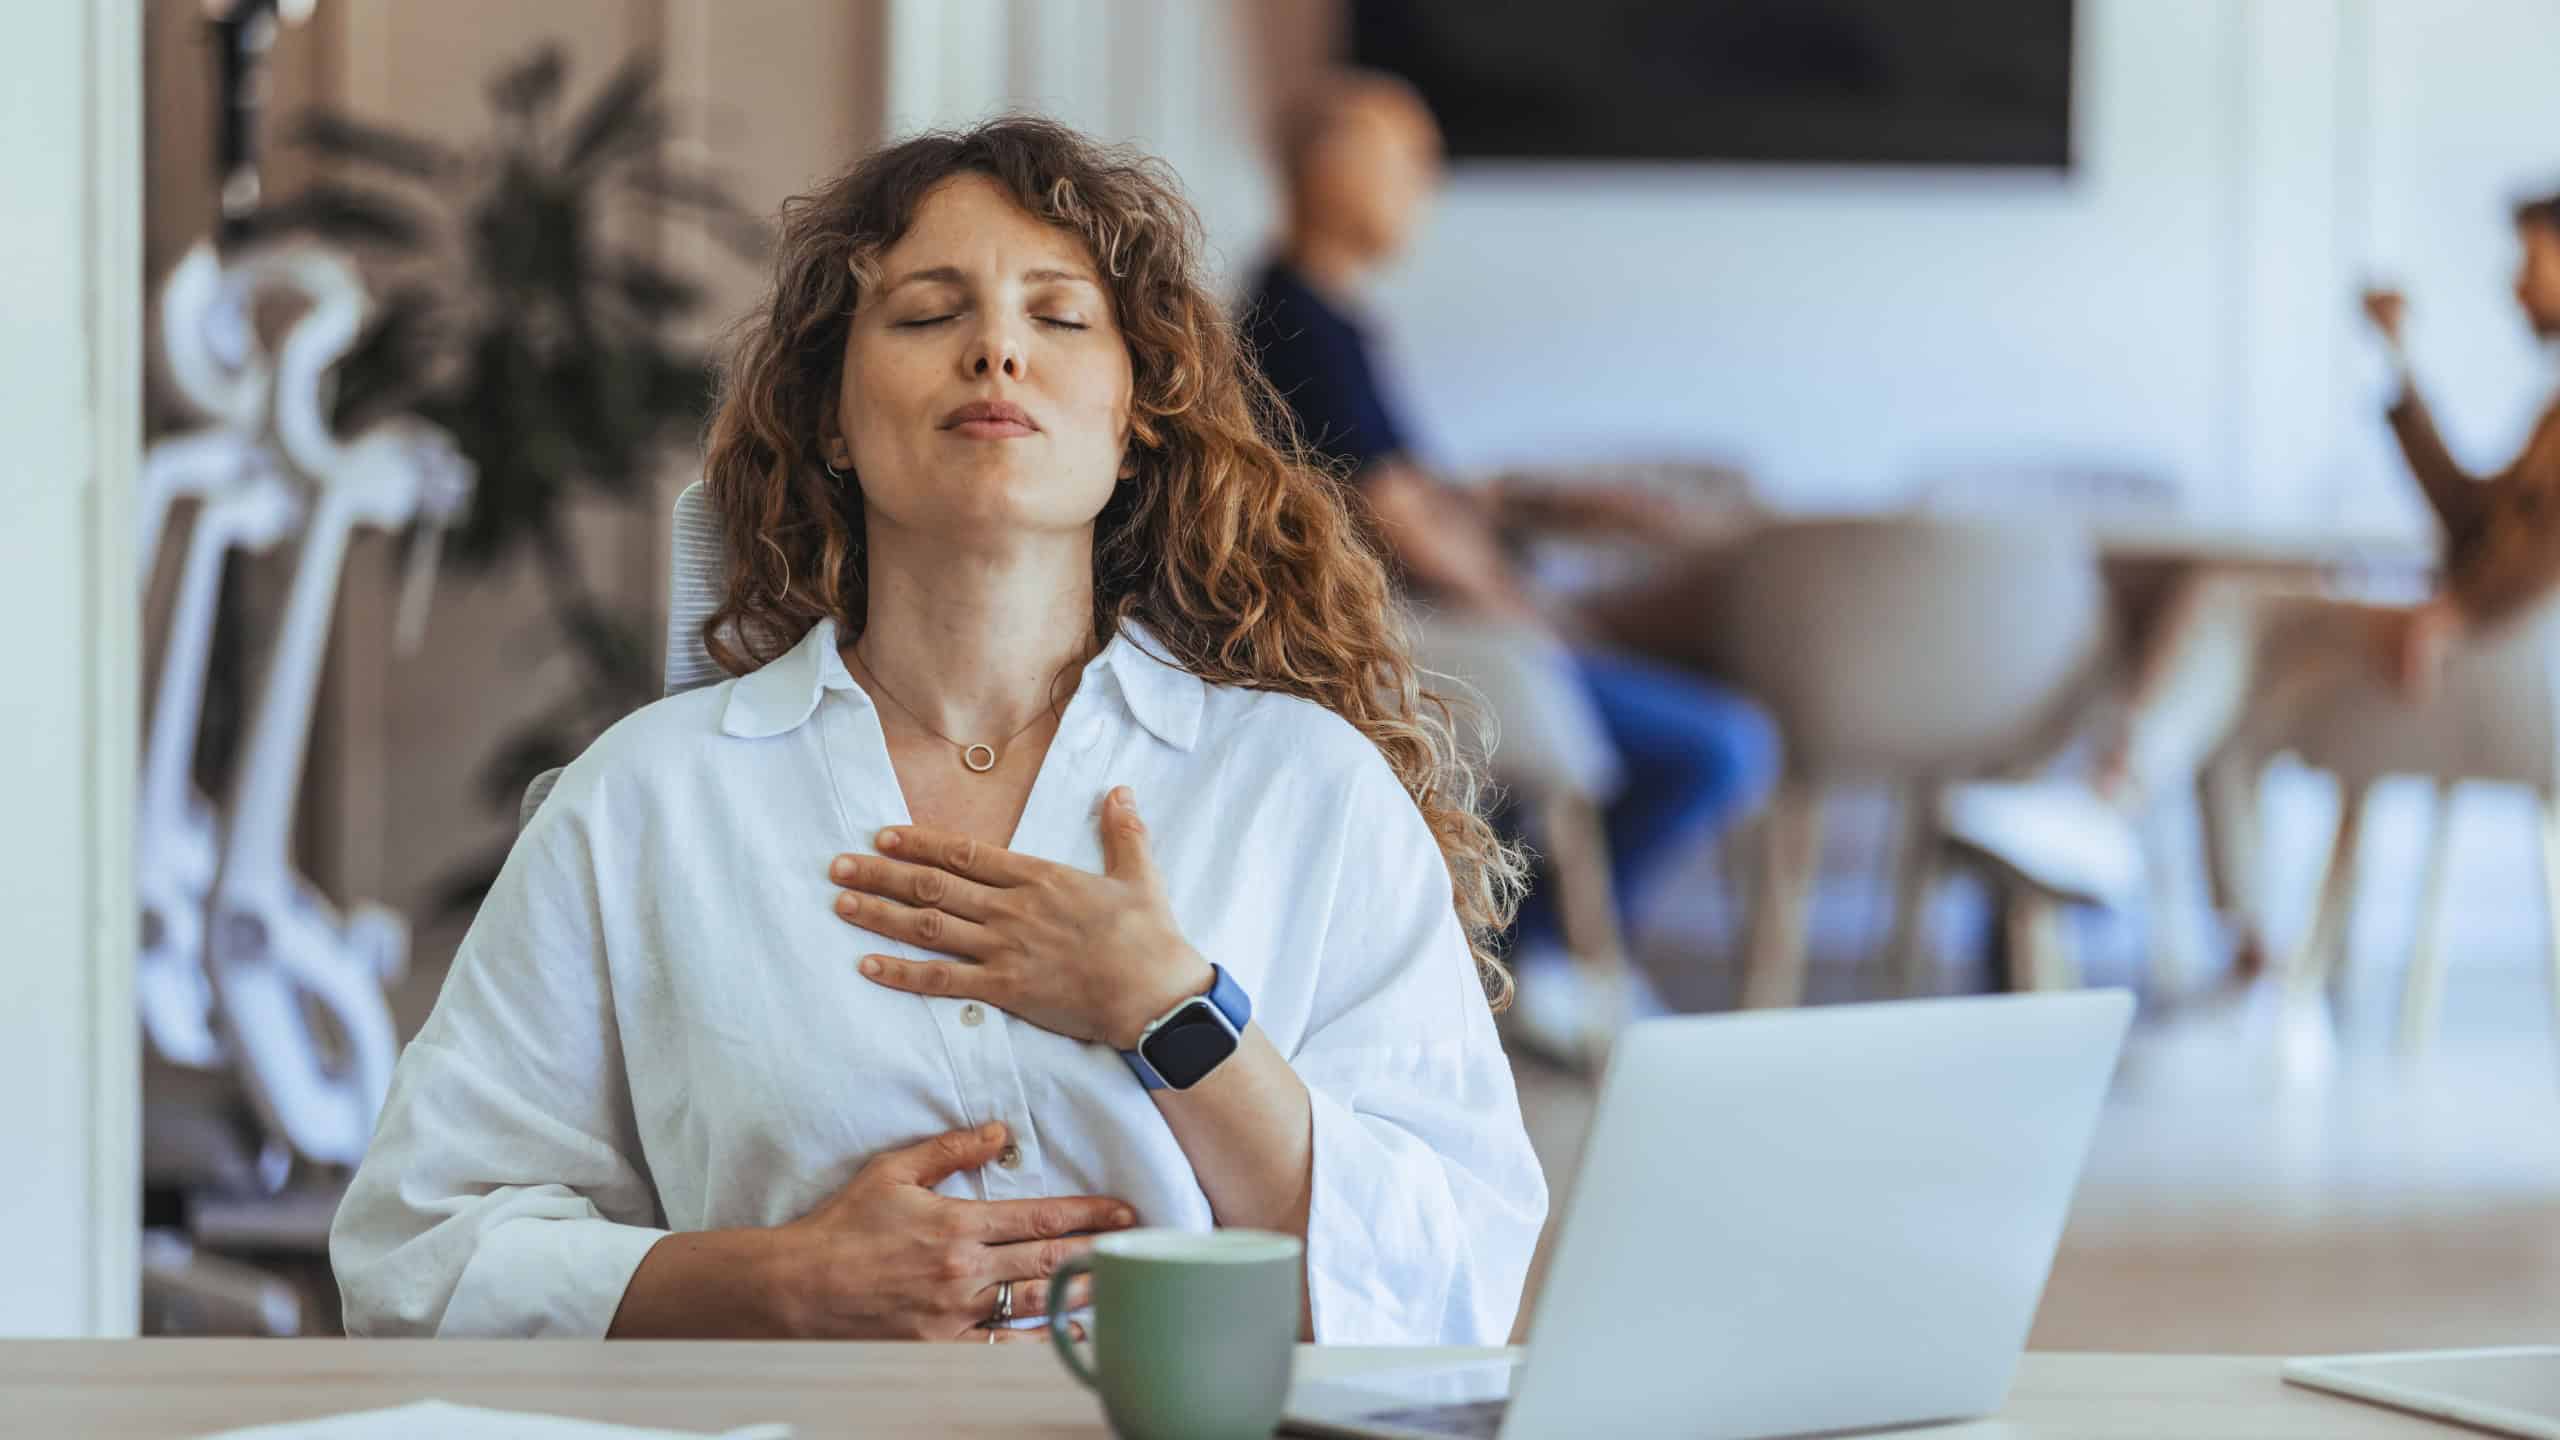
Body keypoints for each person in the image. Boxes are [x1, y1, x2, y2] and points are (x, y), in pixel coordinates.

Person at [330, 117, 1547, 1345]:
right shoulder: (644, 800)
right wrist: (776, 1282)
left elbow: (1461, 1273)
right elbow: (415, 1247)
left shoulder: (1303, 791)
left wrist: (1170, 1010)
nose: (996, 351)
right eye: (926, 315)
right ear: (831, 423)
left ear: (1135, 422)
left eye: (1059, 319)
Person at [1240, 70, 1779, 1048]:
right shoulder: (1297, 320)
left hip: (1443, 634)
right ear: (1329, 164)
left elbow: (1401, 483)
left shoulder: (1329, 316)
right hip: (1417, 646)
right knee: (1724, 744)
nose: (1423, 185)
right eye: (1405, 159)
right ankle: (1539, 958)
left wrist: (1513, 500)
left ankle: (1524, 955)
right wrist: (1533, 618)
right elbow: (1395, 517)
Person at [1961, 188, 2560, 981]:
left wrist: (2455, 611)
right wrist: (2399, 364)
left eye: (2531, 261)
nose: (2514, 284)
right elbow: (2471, 520)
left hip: (2492, 671)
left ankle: (2108, 800)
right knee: (2222, 689)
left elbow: (2537, 549)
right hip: (2477, 651)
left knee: (2230, 603)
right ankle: (2251, 961)